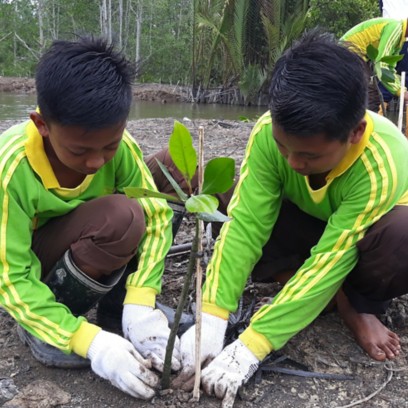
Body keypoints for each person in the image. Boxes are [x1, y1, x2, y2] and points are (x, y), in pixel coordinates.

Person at [174, 30, 408, 407]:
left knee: (402, 238)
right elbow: (247, 223)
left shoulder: (384, 160)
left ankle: (353, 304)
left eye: (310, 156)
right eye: (285, 148)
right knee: (230, 204)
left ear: (355, 132)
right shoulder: (269, 132)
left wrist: (251, 346)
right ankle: (310, 294)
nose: (294, 163)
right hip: (310, 224)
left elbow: (333, 257)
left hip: (363, 241)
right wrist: (212, 314)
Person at [0, 35, 181, 400]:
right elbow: (10, 276)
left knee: (174, 169)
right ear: (42, 125)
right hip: (41, 266)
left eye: (109, 146)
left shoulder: (121, 148)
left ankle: (119, 315)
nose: (97, 162)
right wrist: (89, 342)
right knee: (123, 216)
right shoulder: (11, 169)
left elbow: (158, 215)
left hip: (90, 243)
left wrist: (142, 301)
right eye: (80, 150)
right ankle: (49, 326)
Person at [341, 17, 408, 112]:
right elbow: (382, 64)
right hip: (349, 52)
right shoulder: (396, 28)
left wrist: (402, 90)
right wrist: (400, 92)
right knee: (369, 97)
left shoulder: (400, 39)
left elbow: (390, 67)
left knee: (370, 96)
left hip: (359, 56)